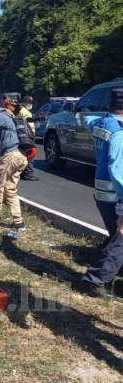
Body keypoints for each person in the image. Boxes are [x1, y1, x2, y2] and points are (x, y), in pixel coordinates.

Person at [79, 88, 123, 297]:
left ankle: (103, 268)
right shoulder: (120, 133)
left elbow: (86, 120)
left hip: (101, 192)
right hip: (116, 195)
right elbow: (118, 170)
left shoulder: (102, 124)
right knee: (120, 241)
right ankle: (95, 280)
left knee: (116, 236)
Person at [0, 95, 28, 230]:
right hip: (21, 156)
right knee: (10, 189)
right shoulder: (7, 116)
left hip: (10, 155)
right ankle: (18, 222)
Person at [19, 95, 38, 181]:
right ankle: (28, 174)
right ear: (25, 103)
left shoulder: (24, 110)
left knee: (25, 155)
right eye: (29, 103)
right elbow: (28, 120)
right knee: (31, 154)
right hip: (27, 135)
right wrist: (37, 118)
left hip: (25, 135)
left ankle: (23, 173)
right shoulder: (23, 111)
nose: (30, 104)